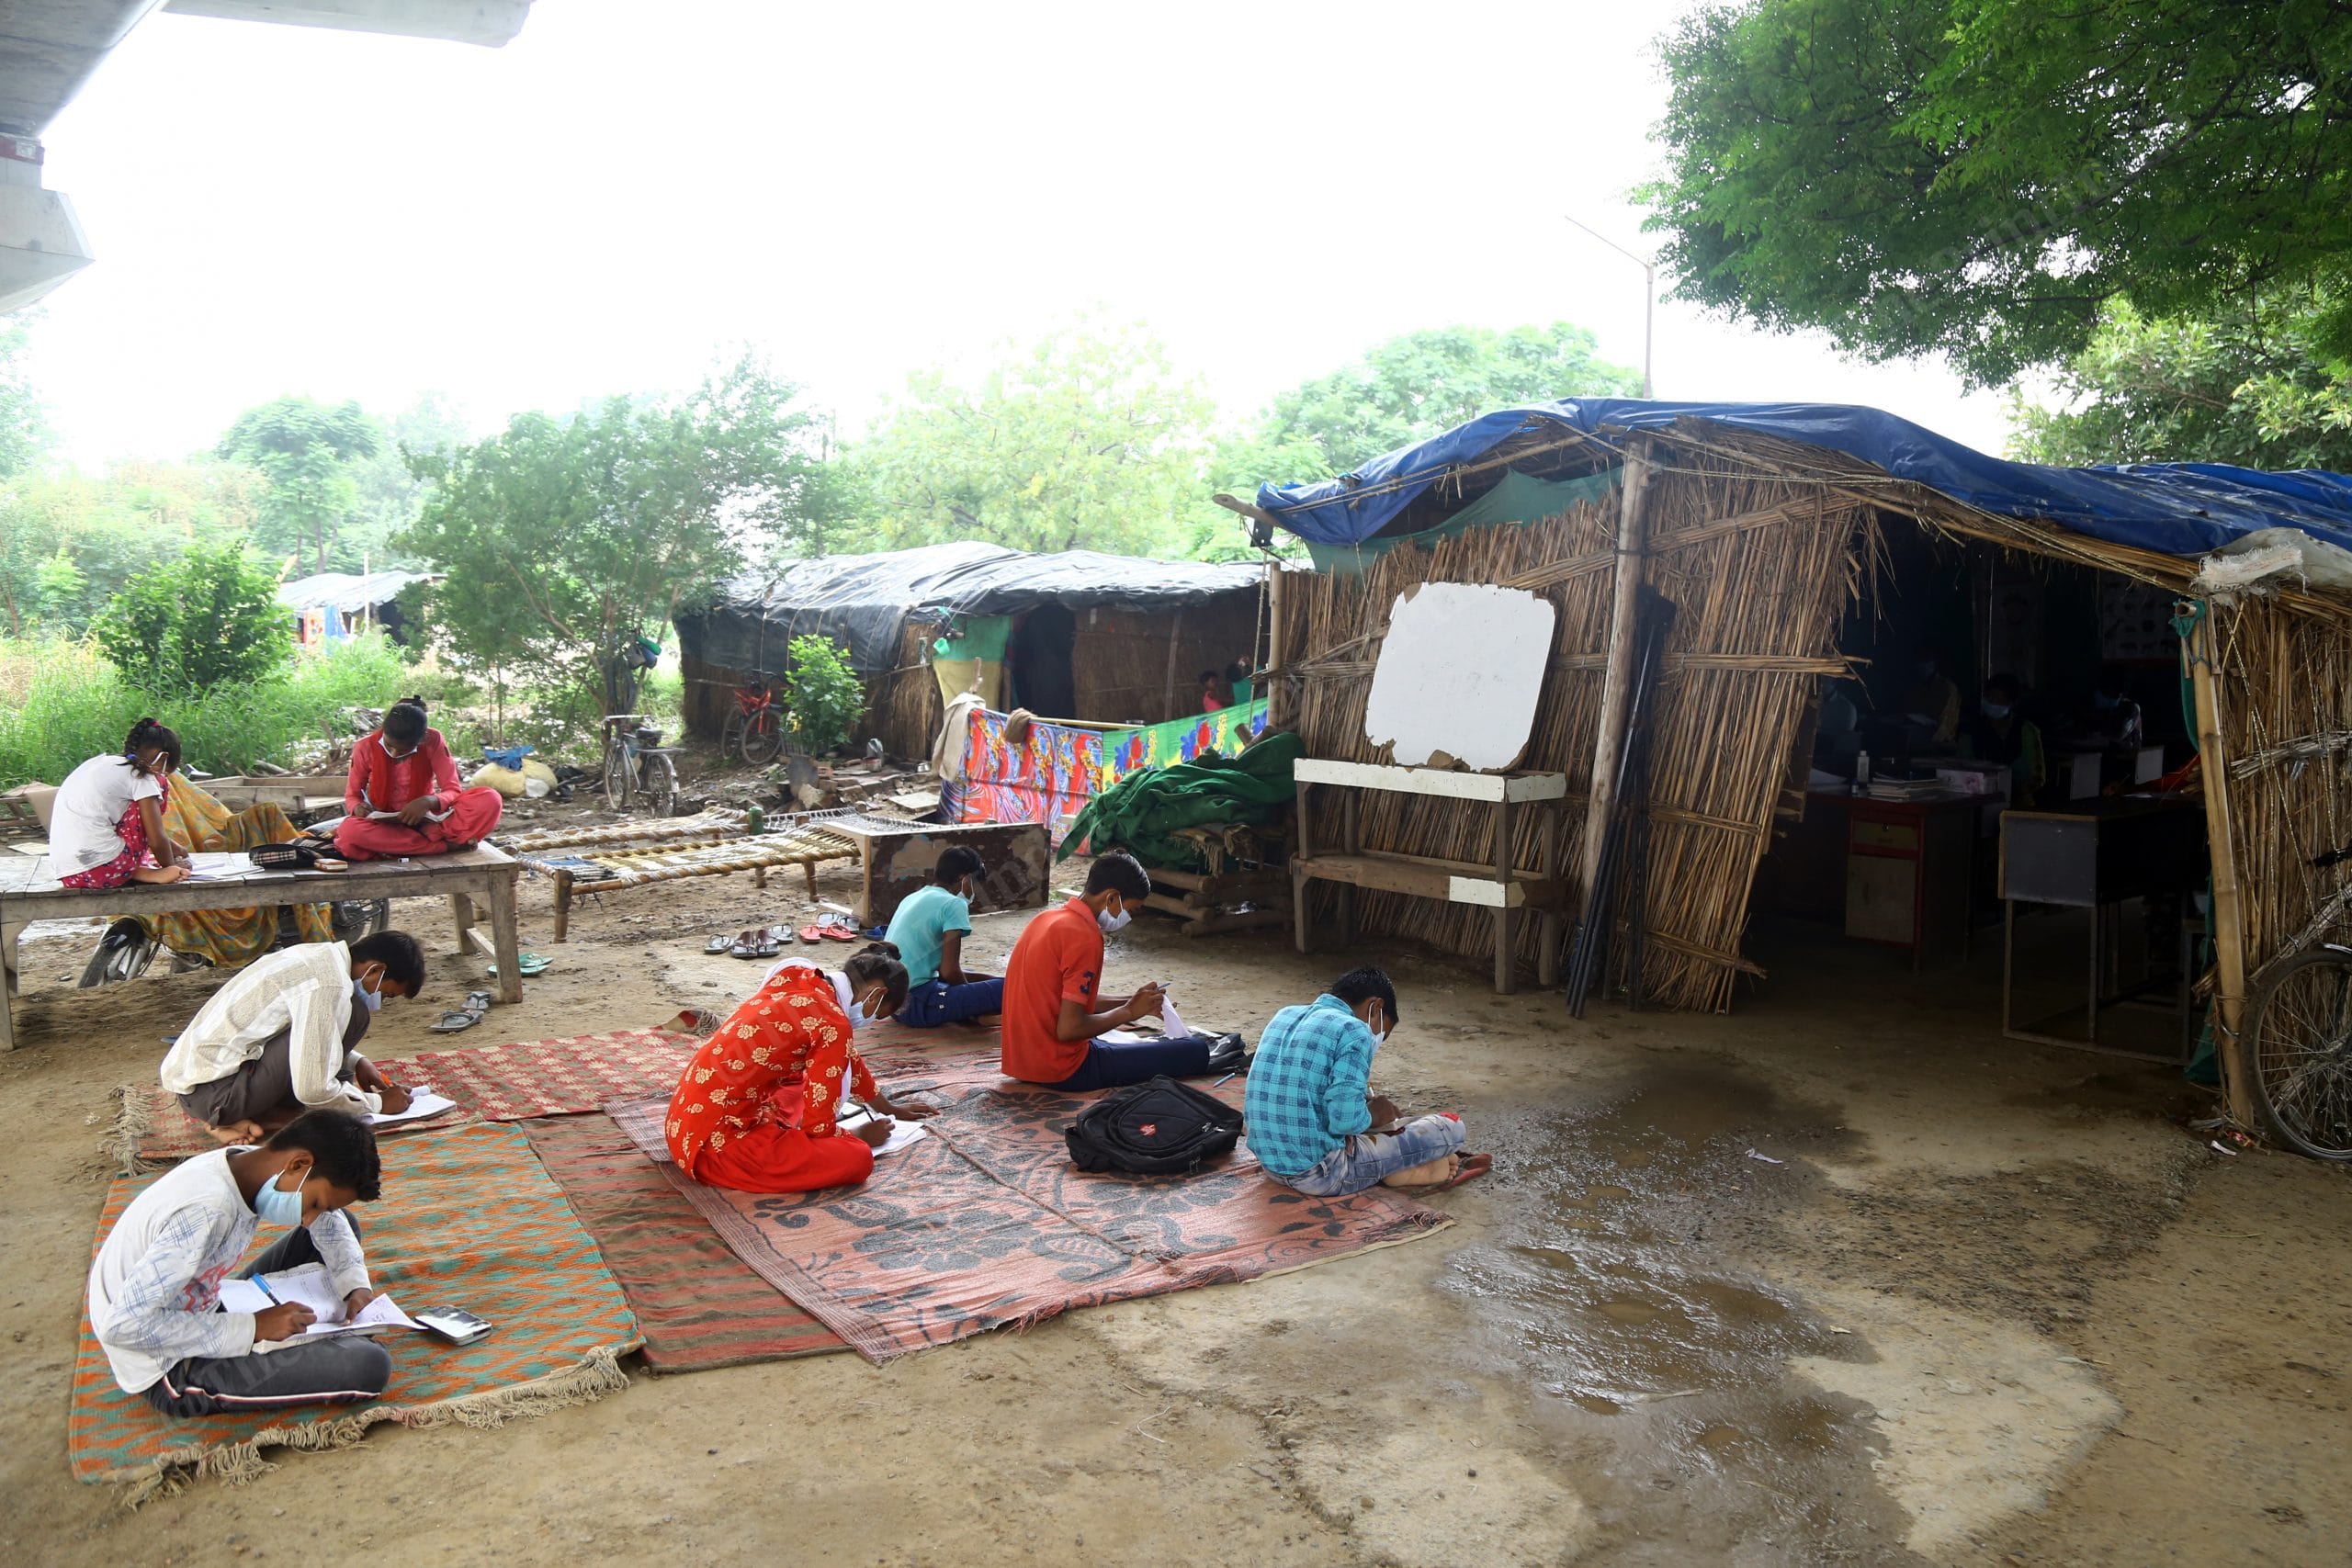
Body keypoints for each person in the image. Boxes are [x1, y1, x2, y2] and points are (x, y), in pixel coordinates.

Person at [87, 1109, 392, 1417]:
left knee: (342, 1226)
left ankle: (298, 1322)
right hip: (168, 1363)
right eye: (315, 1204)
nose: (309, 1218)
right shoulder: (208, 1209)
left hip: (206, 1302)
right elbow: (122, 1327)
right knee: (369, 1363)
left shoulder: (250, 1162)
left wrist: (355, 1287)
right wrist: (254, 1326)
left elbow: (330, 1222)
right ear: (298, 1164)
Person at [664, 942, 939, 1194]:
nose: (870, 1022)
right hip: (713, 1148)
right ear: (876, 994)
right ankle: (797, 1141)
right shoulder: (833, 1023)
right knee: (857, 1159)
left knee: (796, 1081)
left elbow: (848, 1059)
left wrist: (889, 1109)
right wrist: (861, 1137)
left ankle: (778, 1133)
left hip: (684, 1123)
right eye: (877, 1014)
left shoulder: (798, 975)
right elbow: (817, 1128)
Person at [1000, 851, 1245, 1090]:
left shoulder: (1046, 919)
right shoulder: (1083, 936)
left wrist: (1134, 1001)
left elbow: (1063, 1002)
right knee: (1193, 1050)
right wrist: (1128, 1012)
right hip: (1062, 1070)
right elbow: (1069, 1029)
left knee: (1131, 1044)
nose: (1129, 916)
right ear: (1112, 898)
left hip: (1022, 1061)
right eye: (1132, 909)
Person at [160, 931, 427, 1145]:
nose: (380, 1000)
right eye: (387, 993)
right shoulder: (329, 984)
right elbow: (312, 1088)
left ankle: (262, 1117)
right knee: (354, 1017)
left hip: (204, 1085)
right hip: (216, 1095)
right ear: (376, 970)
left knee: (347, 1026)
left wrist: (356, 1062)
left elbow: (304, 1033)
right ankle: (247, 1117)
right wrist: (379, 1104)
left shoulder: (320, 955)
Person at [1245, 965, 1488, 1194]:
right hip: (1321, 1175)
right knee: (1450, 1128)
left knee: (1368, 1127)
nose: (1376, 1040)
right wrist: (1375, 1113)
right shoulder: (1354, 1030)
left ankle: (1392, 1164)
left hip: (1271, 1165)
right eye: (1382, 1033)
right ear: (1376, 1007)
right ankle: (1395, 1166)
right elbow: (1345, 1121)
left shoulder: (1285, 1014)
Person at [332, 695, 504, 863]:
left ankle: (397, 848)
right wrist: (359, 809)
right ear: (384, 730)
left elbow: (453, 790)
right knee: (349, 831)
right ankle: (442, 847)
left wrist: (428, 802)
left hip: (429, 823)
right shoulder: (364, 746)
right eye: (389, 746)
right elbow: (352, 796)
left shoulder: (433, 740)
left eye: (403, 750)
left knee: (490, 799)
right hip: (384, 826)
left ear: (421, 740)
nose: (394, 754)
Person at [50, 717, 191, 890]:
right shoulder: (142, 776)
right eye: (167, 772)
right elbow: (155, 837)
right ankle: (144, 872)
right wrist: (171, 867)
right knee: (157, 788)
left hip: (70, 872)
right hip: (105, 869)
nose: (162, 776)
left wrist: (178, 850)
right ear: (163, 758)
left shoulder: (102, 763)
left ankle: (138, 871)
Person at [884, 846, 1006, 1028]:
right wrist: (975, 999)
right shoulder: (954, 904)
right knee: (1008, 989)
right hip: (917, 1006)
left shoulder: (913, 896)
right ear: (965, 879)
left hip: (894, 1004)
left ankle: (977, 1017)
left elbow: (944, 971)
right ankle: (979, 1016)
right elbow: (949, 971)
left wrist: (986, 981)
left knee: (985, 980)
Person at [1963, 672, 2048, 805]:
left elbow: (2037, 777)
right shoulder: (1972, 730)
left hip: (2019, 805)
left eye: (1999, 700)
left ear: (2012, 703)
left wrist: (2011, 792)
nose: (1993, 704)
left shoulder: (2026, 730)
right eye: (1990, 698)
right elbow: (1961, 765)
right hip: (1979, 803)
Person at [1897, 643, 1960, 749]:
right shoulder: (1916, 687)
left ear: (1936, 662)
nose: (1923, 663)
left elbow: (1946, 722)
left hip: (1942, 744)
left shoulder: (1948, 687)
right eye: (1921, 659)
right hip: (1919, 743)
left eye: (1927, 659)